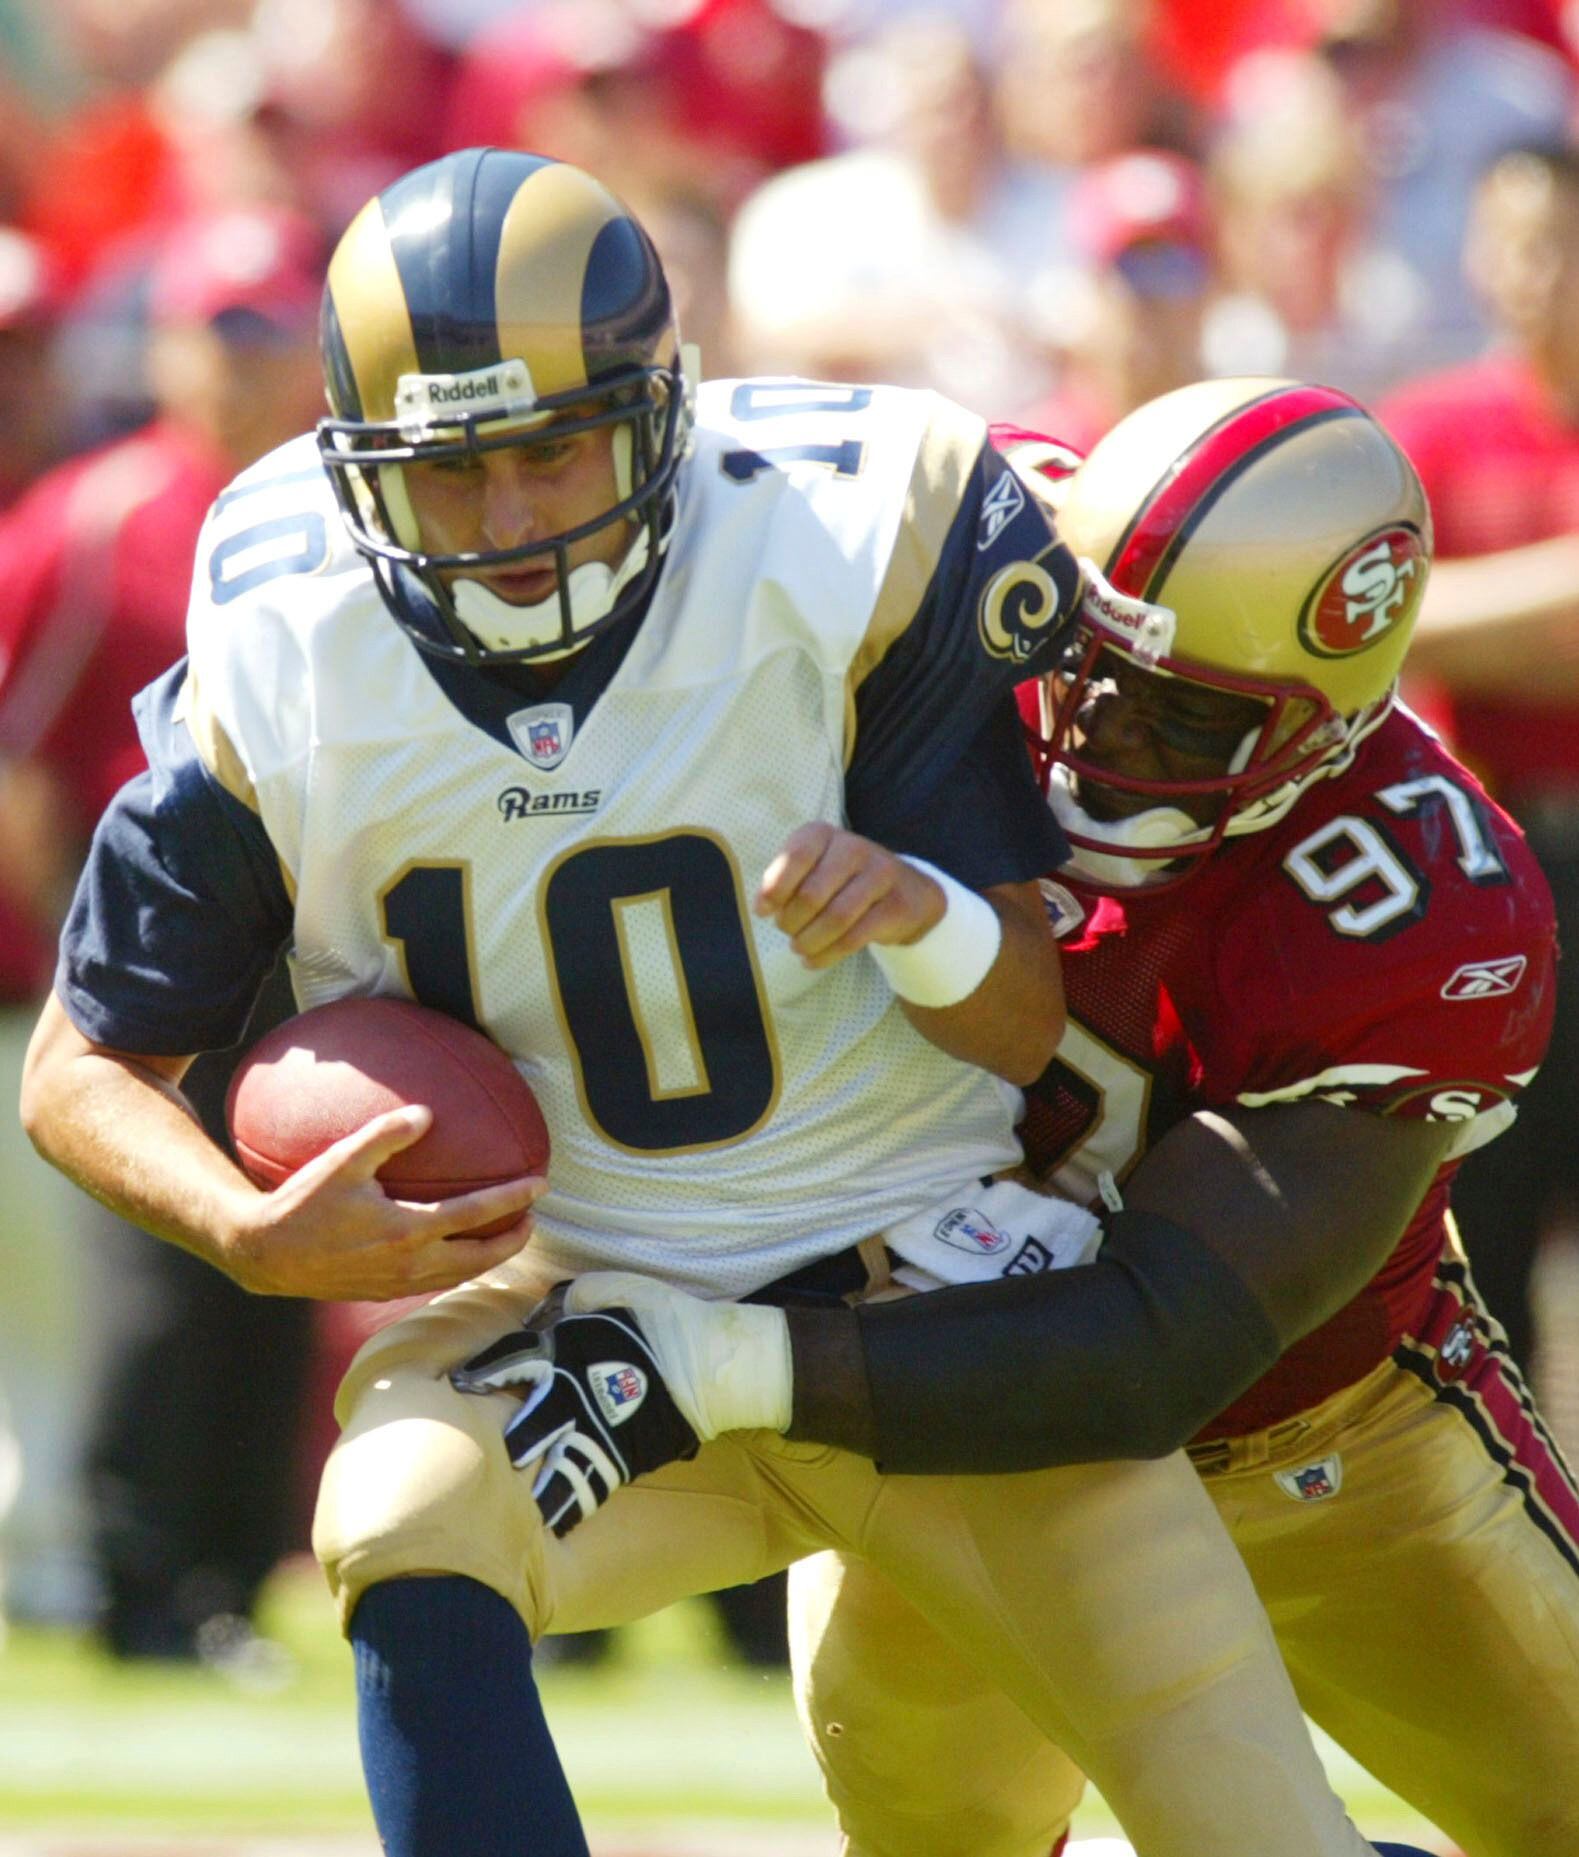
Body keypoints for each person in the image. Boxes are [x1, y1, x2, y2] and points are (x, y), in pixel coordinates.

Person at [19, 149, 1407, 1857]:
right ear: (360, 467)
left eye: (551, 451)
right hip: (589, 1319)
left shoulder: (847, 536)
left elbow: (1021, 1017)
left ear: (656, 413)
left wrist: (919, 921)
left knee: (1257, 1833)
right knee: (395, 1515)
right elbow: (82, 1063)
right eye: (450, 474)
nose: (511, 522)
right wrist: (244, 1228)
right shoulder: (282, 635)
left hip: (932, 1297)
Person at [535, 379, 1578, 1856]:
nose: (1086, 721)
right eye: (1077, 655)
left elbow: (1154, 1346)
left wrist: (721, 1365)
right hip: (943, 1413)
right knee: (937, 1841)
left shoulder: (1413, 911)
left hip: (1319, 1430)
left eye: (1174, 710)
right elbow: (672, 478)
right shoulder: (971, 541)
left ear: (1314, 732)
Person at [1379, 139, 1579, 1379]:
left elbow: (1394, 611)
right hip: (1500, 864)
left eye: (1556, 240)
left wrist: (1449, 614)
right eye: (1510, 240)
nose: (1533, 272)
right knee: (1489, 1214)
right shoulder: (1433, 428)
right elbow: (1355, 618)